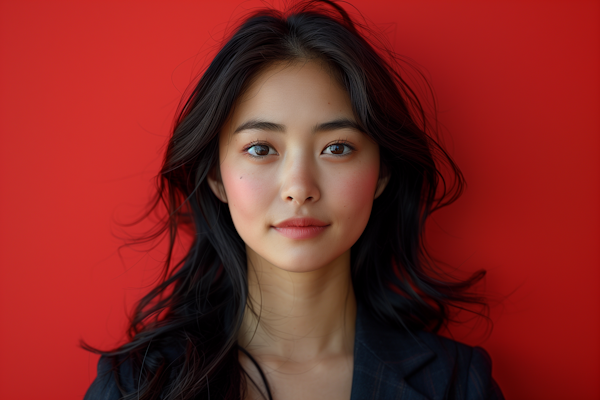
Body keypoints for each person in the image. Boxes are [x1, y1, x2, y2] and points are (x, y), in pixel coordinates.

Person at [83, 1, 504, 399]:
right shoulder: (135, 385)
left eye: (337, 148)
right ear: (216, 176)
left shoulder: (456, 383)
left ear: (382, 173)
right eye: (261, 149)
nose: (299, 187)